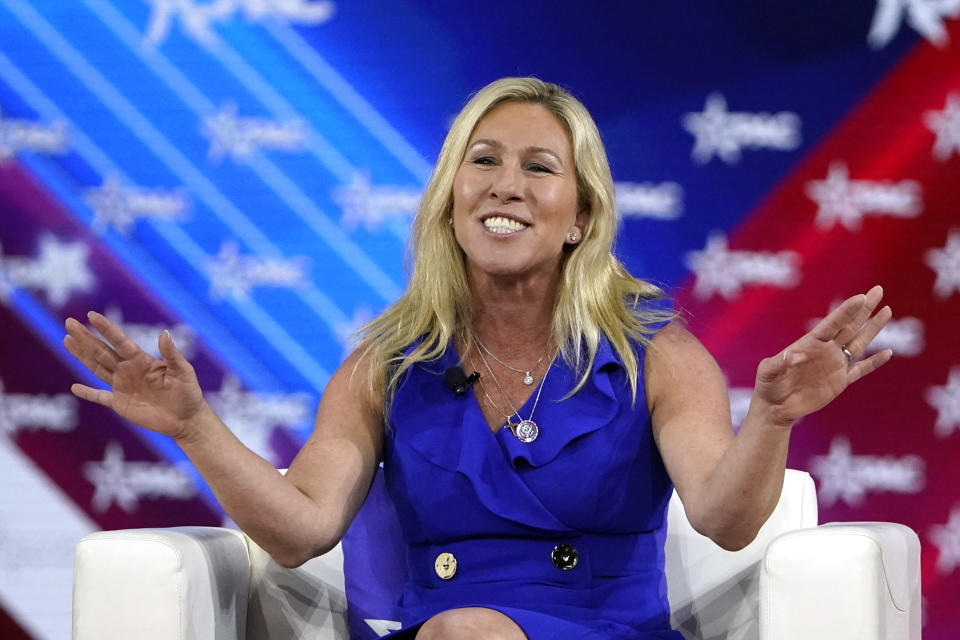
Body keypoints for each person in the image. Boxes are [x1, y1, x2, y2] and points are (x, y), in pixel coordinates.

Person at [63, 77, 892, 640]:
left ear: (579, 216)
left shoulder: (655, 355)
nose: (506, 184)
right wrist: (196, 427)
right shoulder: (385, 366)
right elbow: (301, 530)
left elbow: (725, 516)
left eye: (540, 167)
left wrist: (774, 417)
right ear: (450, 200)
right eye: (484, 161)